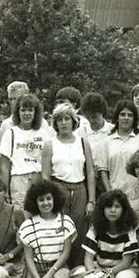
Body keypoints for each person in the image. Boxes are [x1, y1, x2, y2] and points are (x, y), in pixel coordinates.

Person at [42, 103, 96, 266]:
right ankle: (60, 271)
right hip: (58, 188)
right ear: (55, 123)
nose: (64, 123)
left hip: (80, 189)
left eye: (67, 119)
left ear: (74, 121)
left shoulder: (82, 142)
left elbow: (90, 172)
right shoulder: (49, 144)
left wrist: (91, 200)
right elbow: (45, 174)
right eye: (60, 120)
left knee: (80, 230)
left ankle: (78, 271)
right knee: (61, 230)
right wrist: (49, 198)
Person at [72, 189, 139, 278]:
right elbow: (88, 258)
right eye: (109, 206)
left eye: (117, 206)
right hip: (100, 268)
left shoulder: (128, 230)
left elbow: (126, 262)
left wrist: (107, 273)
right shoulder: (95, 228)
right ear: (102, 209)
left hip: (121, 270)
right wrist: (93, 274)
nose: (113, 210)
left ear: (123, 210)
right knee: (78, 275)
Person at [18, 177, 76, 278]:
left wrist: (50, 274)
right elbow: (29, 259)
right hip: (37, 271)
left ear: (55, 199)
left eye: (49, 198)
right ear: (35, 202)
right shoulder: (28, 225)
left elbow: (66, 253)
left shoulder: (65, 221)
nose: (46, 203)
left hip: (58, 268)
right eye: (41, 200)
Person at [0, 93, 51, 211]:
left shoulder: (43, 133)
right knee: (20, 214)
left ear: (35, 112)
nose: (27, 113)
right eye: (23, 110)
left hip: (38, 178)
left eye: (30, 110)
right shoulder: (10, 133)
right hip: (18, 179)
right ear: (18, 112)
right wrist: (5, 190)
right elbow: (5, 165)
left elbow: (47, 162)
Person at [102, 99, 139, 192]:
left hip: (138, 193)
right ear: (117, 117)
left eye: (130, 115)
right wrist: (109, 192)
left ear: (134, 119)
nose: (126, 118)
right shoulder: (107, 141)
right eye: (123, 114)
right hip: (115, 192)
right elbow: (104, 171)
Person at [79, 92, 114, 194]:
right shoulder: (80, 133)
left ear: (102, 112)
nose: (91, 120)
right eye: (88, 117)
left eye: (94, 117)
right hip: (88, 179)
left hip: (109, 177)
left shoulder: (112, 130)